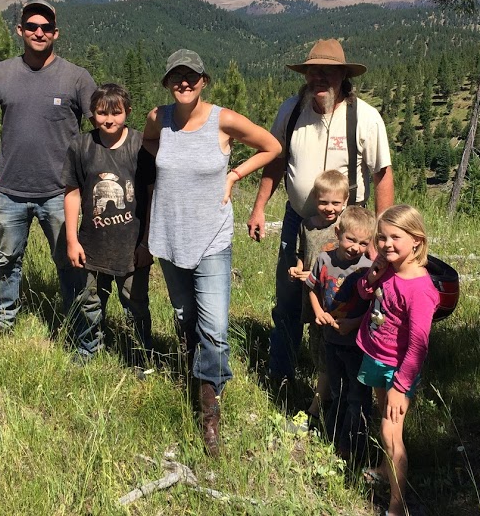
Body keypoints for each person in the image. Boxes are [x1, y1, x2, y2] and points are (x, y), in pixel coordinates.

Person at [144, 49, 281, 456]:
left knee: (216, 329)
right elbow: (149, 142)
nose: (184, 83)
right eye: (176, 77)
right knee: (186, 318)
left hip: (212, 239)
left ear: (204, 81)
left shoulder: (224, 119)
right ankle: (196, 379)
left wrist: (236, 173)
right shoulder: (159, 119)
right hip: (169, 236)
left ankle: (210, 417)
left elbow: (271, 146)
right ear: (168, 82)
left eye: (191, 76)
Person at [246, 38, 394, 385]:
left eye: (328, 72)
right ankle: (282, 375)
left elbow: (382, 175)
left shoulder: (365, 118)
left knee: (347, 300)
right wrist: (258, 207)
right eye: (314, 71)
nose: (320, 78)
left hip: (348, 228)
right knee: (289, 298)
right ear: (306, 74)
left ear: (343, 76)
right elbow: (277, 161)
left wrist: (379, 238)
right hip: (298, 222)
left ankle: (340, 382)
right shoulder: (292, 110)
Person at [0, 0, 96, 338]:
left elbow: (103, 127)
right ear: (20, 30)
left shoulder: (76, 78)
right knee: (7, 261)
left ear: (56, 33)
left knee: (71, 264)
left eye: (45, 27)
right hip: (10, 189)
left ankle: (78, 329)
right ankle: (2, 322)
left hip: (61, 192)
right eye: (31, 26)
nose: (38, 32)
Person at [62, 83, 156, 362]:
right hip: (91, 244)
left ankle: (141, 356)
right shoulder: (81, 146)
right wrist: (71, 239)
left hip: (132, 246)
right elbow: (72, 192)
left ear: (128, 112)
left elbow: (152, 195)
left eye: (116, 112)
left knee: (136, 304)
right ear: (93, 114)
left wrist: (146, 243)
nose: (109, 119)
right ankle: (88, 348)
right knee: (89, 301)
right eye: (102, 112)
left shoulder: (141, 146)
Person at [356, 205, 439, 516]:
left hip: (399, 369)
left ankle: (396, 506)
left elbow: (419, 344)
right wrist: (374, 271)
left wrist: (401, 386)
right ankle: (382, 467)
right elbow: (366, 293)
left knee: (392, 435)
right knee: (382, 416)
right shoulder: (389, 267)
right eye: (382, 237)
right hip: (377, 355)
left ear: (416, 240)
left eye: (395, 237)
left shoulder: (420, 289)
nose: (387, 244)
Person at [305, 206, 374, 461]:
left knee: (357, 395)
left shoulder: (368, 268)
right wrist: (317, 312)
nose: (356, 247)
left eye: (363, 243)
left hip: (357, 344)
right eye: (351, 239)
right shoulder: (324, 260)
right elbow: (311, 287)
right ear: (338, 233)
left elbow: (374, 307)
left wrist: (355, 323)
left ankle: (352, 446)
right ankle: (331, 436)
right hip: (331, 340)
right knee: (337, 391)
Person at [289, 169, 349, 425]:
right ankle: (331, 398)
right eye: (324, 202)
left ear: (345, 202)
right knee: (316, 345)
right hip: (311, 296)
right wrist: (298, 268)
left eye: (336, 203)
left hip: (335, 299)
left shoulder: (344, 228)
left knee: (328, 351)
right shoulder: (307, 225)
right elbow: (302, 253)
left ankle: (317, 408)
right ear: (315, 199)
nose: (329, 208)